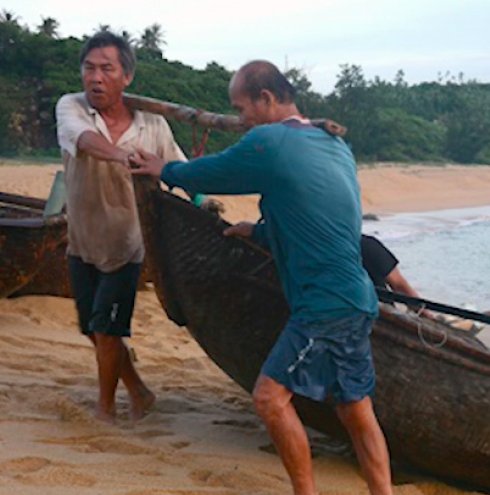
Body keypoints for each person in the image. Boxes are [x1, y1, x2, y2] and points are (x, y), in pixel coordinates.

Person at [130, 60, 393, 495]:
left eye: (241, 107)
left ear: (266, 99)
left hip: (323, 304)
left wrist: (165, 170)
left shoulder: (269, 141)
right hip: (358, 297)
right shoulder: (332, 143)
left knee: (270, 399)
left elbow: (215, 172)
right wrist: (261, 232)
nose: (239, 118)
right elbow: (322, 217)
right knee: (354, 406)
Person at [55, 31, 186, 423]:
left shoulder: (152, 125)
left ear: (126, 76)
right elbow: (85, 140)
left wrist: (202, 197)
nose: (95, 77)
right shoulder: (72, 107)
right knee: (94, 331)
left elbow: (176, 170)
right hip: (81, 242)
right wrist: (123, 156)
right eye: (89, 68)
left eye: (106, 69)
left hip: (128, 245)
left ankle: (105, 410)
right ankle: (140, 392)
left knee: (109, 331)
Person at [361, 234, 432, 317]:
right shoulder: (367, 245)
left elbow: (399, 286)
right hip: (380, 317)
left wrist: (423, 313)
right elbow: (398, 285)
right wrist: (424, 313)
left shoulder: (367, 246)